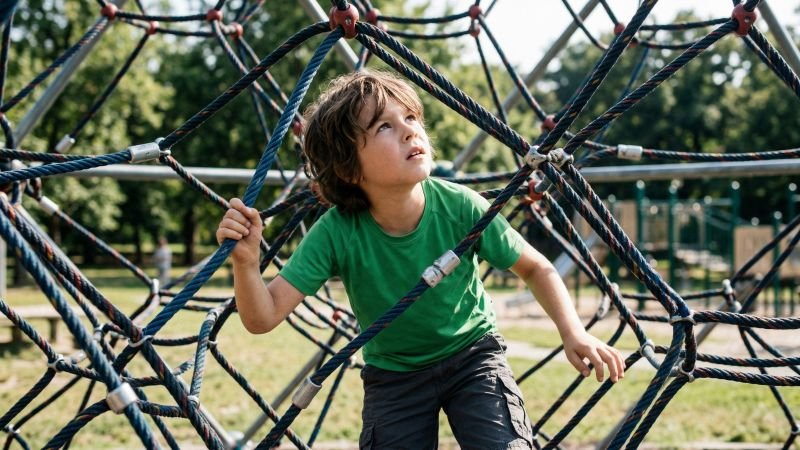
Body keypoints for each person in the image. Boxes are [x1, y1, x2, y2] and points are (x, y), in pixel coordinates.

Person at [216, 70, 624, 449]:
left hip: (473, 357)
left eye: (411, 117)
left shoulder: (460, 206)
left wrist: (574, 332)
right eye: (385, 126)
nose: (410, 129)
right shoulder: (337, 232)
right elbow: (262, 317)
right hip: (394, 376)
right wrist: (246, 264)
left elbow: (536, 267)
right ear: (347, 168)